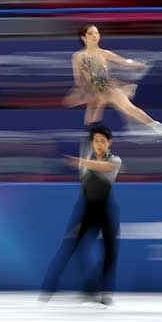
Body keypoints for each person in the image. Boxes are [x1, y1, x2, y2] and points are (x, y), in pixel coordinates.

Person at [40, 124, 122, 306]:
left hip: (106, 209)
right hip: (86, 209)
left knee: (110, 251)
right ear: (91, 143)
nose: (99, 144)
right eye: (96, 141)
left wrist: (81, 162)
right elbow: (90, 122)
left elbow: (102, 167)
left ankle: (104, 292)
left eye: (103, 141)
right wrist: (97, 101)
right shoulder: (86, 153)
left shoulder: (115, 161)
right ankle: (49, 288)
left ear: (110, 143)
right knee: (70, 247)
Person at [64, 24, 162, 137]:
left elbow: (123, 62)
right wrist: (85, 92)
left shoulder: (104, 53)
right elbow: (78, 79)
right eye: (91, 33)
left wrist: (137, 65)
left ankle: (157, 126)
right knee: (92, 117)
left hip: (107, 88)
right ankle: (90, 140)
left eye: (97, 33)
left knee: (128, 108)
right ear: (84, 38)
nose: (95, 36)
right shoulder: (77, 56)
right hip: (91, 90)